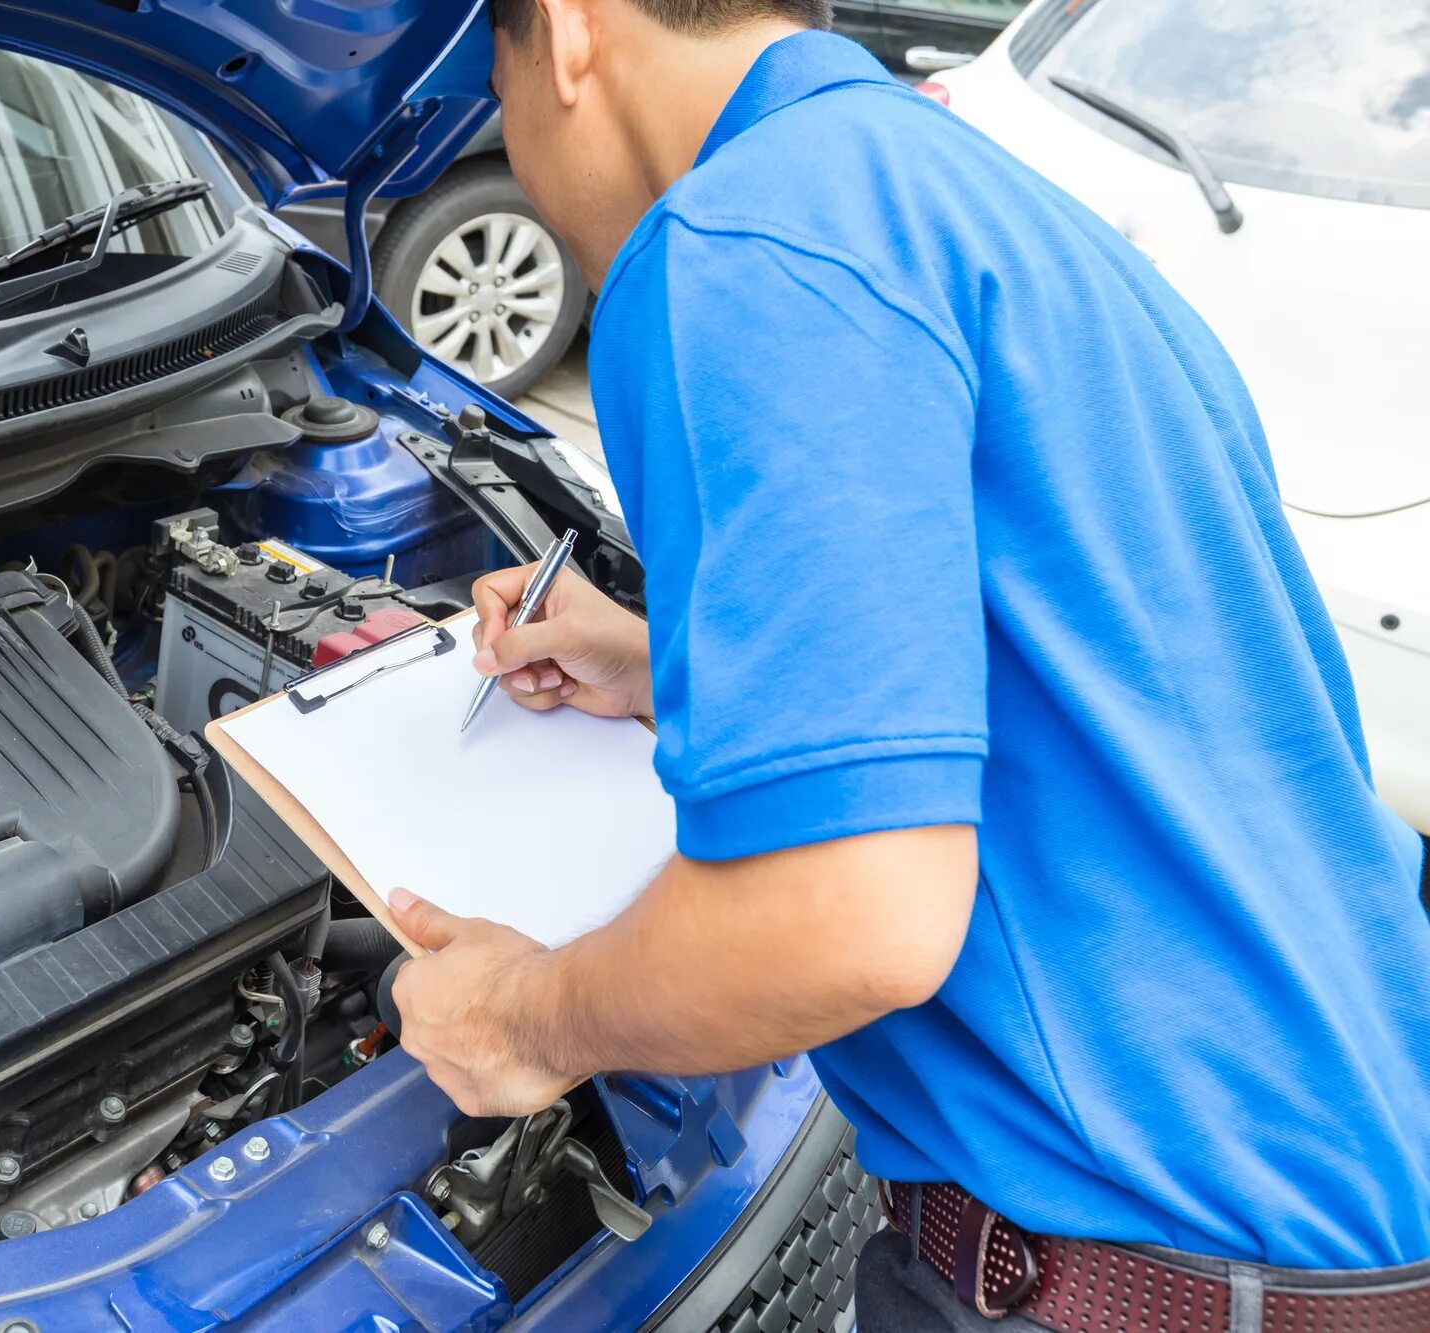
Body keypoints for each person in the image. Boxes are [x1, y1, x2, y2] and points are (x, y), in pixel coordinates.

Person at [383, 1, 1430, 1328]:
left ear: (573, 32)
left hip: (1124, 1265)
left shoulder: (741, 238)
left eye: (496, 80)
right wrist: (657, 663)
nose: (515, 151)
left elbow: (846, 913)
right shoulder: (978, 201)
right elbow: (1091, 671)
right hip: (1338, 1197)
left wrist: (522, 1015)